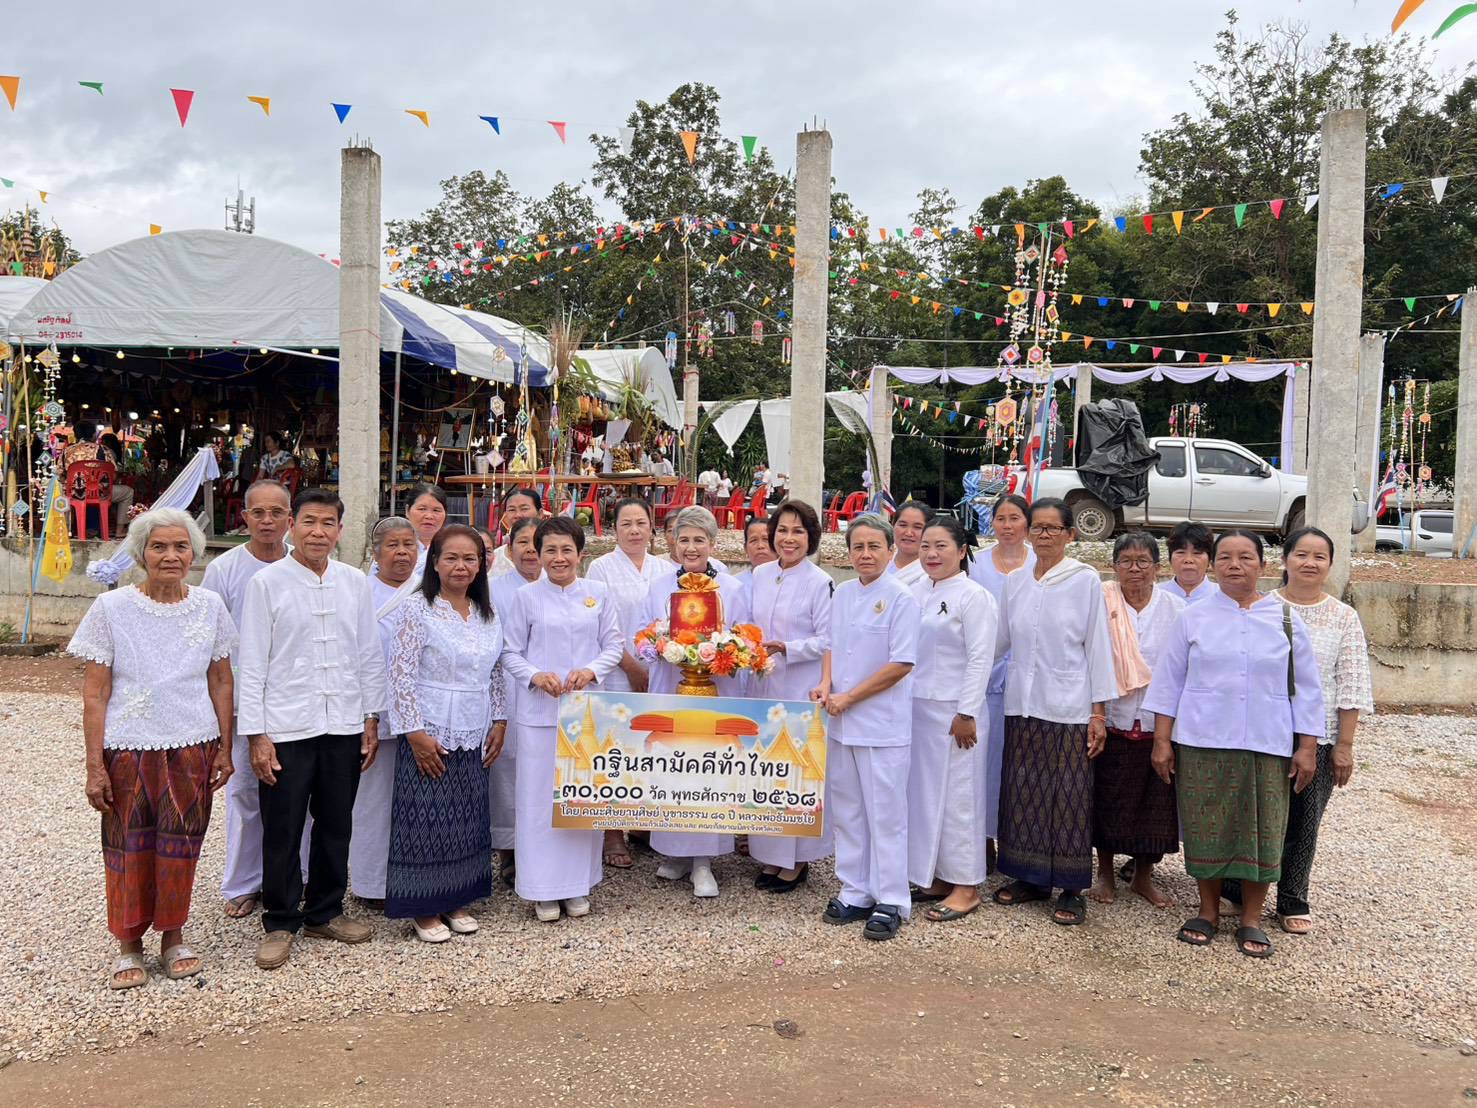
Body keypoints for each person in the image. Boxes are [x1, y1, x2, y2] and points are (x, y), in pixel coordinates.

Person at [67, 508, 237, 989]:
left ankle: (173, 936)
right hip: (128, 746)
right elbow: (95, 692)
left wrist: (226, 747)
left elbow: (221, 681)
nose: (170, 555)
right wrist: (92, 764)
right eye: (159, 546)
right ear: (141, 554)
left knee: (181, 844)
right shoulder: (112, 608)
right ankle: (129, 944)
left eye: (180, 546)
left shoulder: (209, 607)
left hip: (192, 744)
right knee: (127, 845)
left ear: (194, 554)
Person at [1143, 529, 1323, 959]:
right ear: (1213, 564)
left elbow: (1309, 690)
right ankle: (1206, 910)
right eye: (1225, 557)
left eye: (1245, 557)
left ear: (1263, 565)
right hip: (1203, 740)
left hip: (1267, 742)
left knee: (1261, 831)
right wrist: (1161, 741)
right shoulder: (1194, 617)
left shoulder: (1285, 619)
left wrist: (1308, 747)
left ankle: (1251, 919)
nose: (1234, 565)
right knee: (1207, 827)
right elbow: (1169, 682)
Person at [237, 489, 390, 970]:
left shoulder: (354, 583)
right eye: (308, 521)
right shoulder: (267, 583)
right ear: (291, 526)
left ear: (340, 531)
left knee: (336, 822)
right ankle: (281, 921)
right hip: (286, 725)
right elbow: (252, 662)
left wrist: (371, 717)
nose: (317, 531)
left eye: (328, 523)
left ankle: (325, 910)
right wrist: (256, 734)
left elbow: (368, 653)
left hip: (343, 722)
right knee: (281, 826)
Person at [1222, 528, 1373, 935]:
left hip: (1318, 735)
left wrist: (1344, 744)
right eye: (1301, 554)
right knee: (1255, 814)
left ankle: (1292, 897)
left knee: (1304, 821)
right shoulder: (1262, 607)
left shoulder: (1343, 617)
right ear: (1284, 559)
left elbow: (1352, 682)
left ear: (1330, 564)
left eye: (1319, 557)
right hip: (1263, 731)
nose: (1310, 563)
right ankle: (1236, 890)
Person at [991, 497, 1117, 927]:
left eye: (1053, 528)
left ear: (1070, 535)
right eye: (1038, 528)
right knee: (1023, 791)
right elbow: (999, 642)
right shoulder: (1015, 582)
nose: (1044, 535)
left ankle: (1070, 887)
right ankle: (1030, 878)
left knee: (1067, 796)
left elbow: (1098, 647)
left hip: (1068, 706)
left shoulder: (1084, 580)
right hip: (1021, 704)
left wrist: (1098, 714)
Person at [385, 526, 507, 942]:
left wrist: (501, 721)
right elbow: (400, 674)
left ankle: (457, 897)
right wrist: (415, 733)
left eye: (470, 558)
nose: (461, 566)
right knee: (426, 814)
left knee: (468, 814)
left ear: (482, 564)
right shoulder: (418, 608)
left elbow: (494, 673)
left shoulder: (485, 613)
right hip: (430, 724)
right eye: (451, 557)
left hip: (476, 725)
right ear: (434, 561)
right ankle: (423, 906)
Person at [501, 517, 623, 922]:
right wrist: (535, 675)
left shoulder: (599, 594)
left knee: (580, 798)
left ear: (580, 554)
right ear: (537, 554)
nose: (558, 558)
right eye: (549, 550)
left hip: (585, 714)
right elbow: (510, 651)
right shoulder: (526, 597)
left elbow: (614, 644)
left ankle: (577, 886)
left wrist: (590, 671)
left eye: (566, 550)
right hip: (538, 715)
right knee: (539, 802)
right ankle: (540, 889)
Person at [813, 513, 920, 940]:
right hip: (841, 722)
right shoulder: (841, 593)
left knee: (886, 814)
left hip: (881, 725)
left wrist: (850, 697)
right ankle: (855, 889)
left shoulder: (901, 597)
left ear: (891, 550)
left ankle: (892, 897)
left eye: (874, 546)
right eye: (858, 546)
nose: (865, 554)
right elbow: (830, 647)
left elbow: (901, 663)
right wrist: (824, 686)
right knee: (850, 811)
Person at [200, 480, 299, 920]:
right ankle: (244, 882)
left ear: (289, 519)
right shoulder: (224, 570)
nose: (267, 521)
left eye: (276, 512)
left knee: (299, 792)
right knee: (244, 792)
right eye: (258, 513)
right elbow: (211, 644)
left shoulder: (308, 564)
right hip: (243, 698)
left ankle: (300, 876)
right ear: (244, 517)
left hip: (296, 697)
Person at [638, 506, 748, 898]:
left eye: (699, 540)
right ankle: (675, 851)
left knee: (706, 772)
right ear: (673, 542)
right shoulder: (657, 585)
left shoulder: (732, 588)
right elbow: (643, 634)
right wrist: (663, 646)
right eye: (683, 539)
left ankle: (704, 859)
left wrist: (719, 652)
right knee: (671, 767)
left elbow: (742, 640)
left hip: (715, 693)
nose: (691, 547)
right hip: (671, 687)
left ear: (713, 544)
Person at [906, 517, 997, 921]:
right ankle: (938, 875)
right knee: (927, 797)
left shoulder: (974, 596)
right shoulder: (915, 591)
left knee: (961, 797)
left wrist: (967, 711)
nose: (931, 554)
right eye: (926, 546)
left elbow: (981, 658)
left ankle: (967, 884)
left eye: (941, 546)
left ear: (961, 551)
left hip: (957, 712)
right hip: (920, 710)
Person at [1088, 532, 1184, 909]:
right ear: (1114, 566)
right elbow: (1092, 659)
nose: (1134, 569)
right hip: (1112, 716)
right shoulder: (1101, 603)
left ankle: (1144, 875)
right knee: (1108, 797)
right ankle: (1105, 872)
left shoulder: (1175, 610)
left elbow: (1179, 670)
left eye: (1143, 561)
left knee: (1155, 801)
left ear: (1157, 568)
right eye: (1126, 561)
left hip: (1157, 721)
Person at [746, 501, 834, 893]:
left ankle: (797, 860)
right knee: (766, 771)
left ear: (810, 537)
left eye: (798, 531)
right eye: (782, 530)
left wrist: (790, 648)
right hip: (761, 688)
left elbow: (830, 638)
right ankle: (770, 855)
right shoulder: (759, 575)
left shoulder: (820, 582)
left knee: (796, 773)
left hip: (799, 688)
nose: (789, 538)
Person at [585, 498, 671, 868]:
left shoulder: (667, 567)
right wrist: (632, 667)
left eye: (641, 523)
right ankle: (612, 833)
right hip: (617, 671)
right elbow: (601, 625)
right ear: (614, 529)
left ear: (652, 528)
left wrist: (658, 664)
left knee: (652, 747)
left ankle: (644, 824)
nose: (634, 530)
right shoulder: (600, 568)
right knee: (614, 749)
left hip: (661, 672)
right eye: (626, 524)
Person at [348, 517, 421, 906]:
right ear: (375, 553)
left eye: (409, 544)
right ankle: (371, 884)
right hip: (373, 709)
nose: (402, 552)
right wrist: (366, 715)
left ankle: (413, 877)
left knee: (414, 802)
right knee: (373, 800)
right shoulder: (358, 591)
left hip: (421, 715)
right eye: (392, 545)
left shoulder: (429, 591)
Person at [967, 493, 1035, 863]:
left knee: (1023, 762)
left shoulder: (1041, 563)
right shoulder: (977, 563)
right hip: (987, 674)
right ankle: (983, 839)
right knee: (988, 760)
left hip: (1029, 675)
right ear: (991, 523)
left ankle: (1020, 841)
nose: (1008, 526)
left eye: (1015, 518)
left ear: (1027, 523)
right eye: (1001, 519)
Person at [488, 516, 542, 886]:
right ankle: (508, 851)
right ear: (509, 550)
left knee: (544, 770)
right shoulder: (493, 589)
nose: (531, 549)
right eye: (522, 542)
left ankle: (545, 850)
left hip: (553, 691)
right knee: (506, 770)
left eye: (539, 542)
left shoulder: (568, 588)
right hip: (507, 689)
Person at [61, 418, 134, 532]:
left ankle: (66, 529)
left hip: (73, 493)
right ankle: (120, 530)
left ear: (75, 435)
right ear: (94, 434)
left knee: (60, 491)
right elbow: (113, 476)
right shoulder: (104, 450)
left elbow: (60, 474)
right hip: (100, 493)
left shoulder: (66, 451)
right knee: (128, 492)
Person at [490, 486, 544, 578]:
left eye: (524, 509)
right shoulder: (494, 558)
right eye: (511, 510)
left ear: (540, 514)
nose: (517, 515)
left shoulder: (554, 556)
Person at [1162, 522, 1214, 605]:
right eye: (1181, 552)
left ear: (1209, 559)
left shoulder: (1225, 596)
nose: (1188, 560)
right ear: (1170, 558)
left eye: (1197, 553)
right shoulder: (1154, 596)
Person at [885, 502, 933, 588]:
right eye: (903, 525)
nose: (908, 533)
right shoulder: (881, 557)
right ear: (893, 524)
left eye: (917, 527)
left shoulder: (932, 573)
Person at [405, 484, 449, 571]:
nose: (429, 516)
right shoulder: (394, 547)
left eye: (436, 510)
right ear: (407, 511)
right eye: (422, 509)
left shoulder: (451, 547)